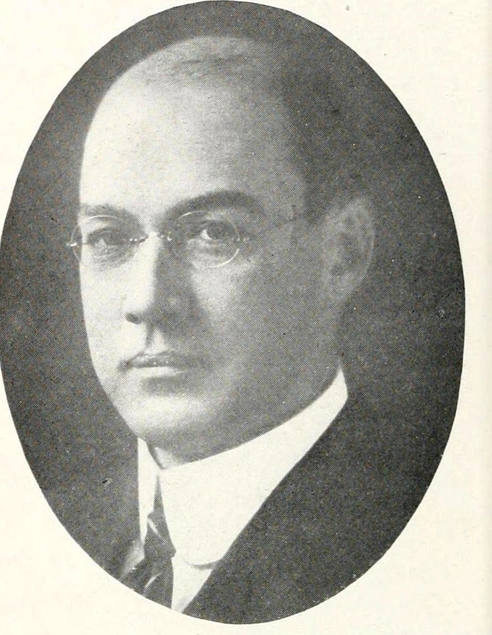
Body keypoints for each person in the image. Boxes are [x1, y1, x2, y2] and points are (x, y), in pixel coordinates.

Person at [50, 24, 430, 625]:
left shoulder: (428, 533)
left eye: (214, 233)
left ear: (344, 253)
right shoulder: (37, 531)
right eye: (110, 238)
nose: (147, 301)